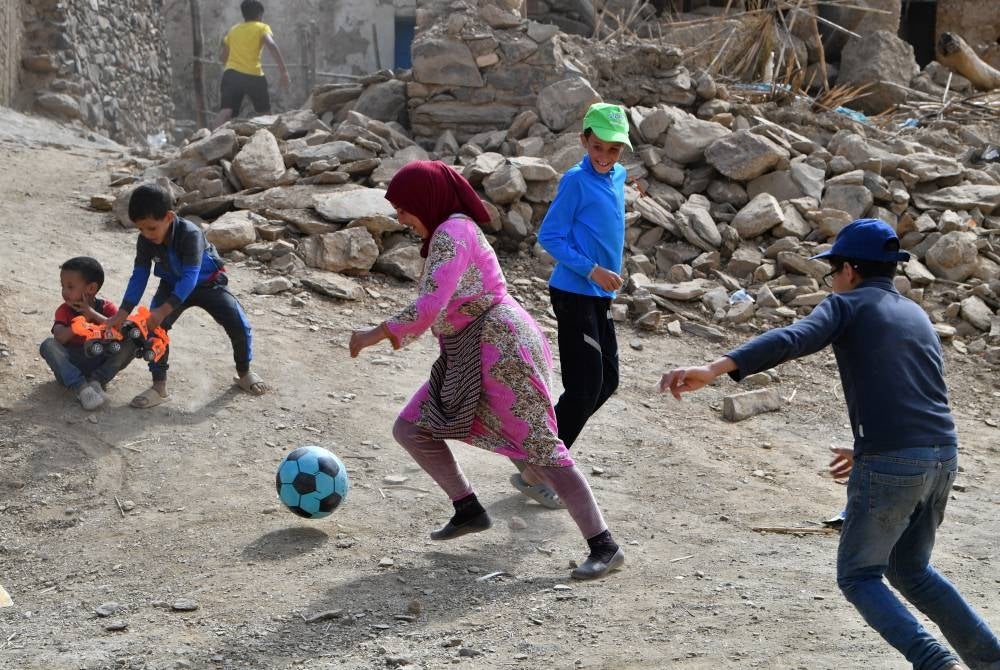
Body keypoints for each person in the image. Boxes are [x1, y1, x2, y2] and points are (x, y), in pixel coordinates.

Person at [659, 219, 1000, 670]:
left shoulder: (848, 305)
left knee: (859, 576)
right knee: (910, 570)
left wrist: (715, 368)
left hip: (895, 460)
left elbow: (792, 338)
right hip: (941, 455)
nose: (832, 282)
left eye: (832, 272)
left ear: (850, 271)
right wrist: (868, 449)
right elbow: (920, 390)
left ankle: (938, 664)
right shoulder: (915, 315)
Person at [349, 160, 625, 580]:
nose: (401, 219)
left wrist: (374, 333)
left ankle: (604, 546)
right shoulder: (447, 231)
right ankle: (468, 508)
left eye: (404, 209)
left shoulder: (452, 233)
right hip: (467, 349)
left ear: (426, 201)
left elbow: (428, 308)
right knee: (412, 428)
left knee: (542, 448)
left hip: (503, 349)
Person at [522, 102, 631, 508]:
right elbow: (549, 236)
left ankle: (536, 451)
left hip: (600, 295)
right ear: (584, 140)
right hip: (574, 292)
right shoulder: (575, 180)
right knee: (584, 387)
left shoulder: (618, 176)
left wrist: (609, 272)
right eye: (597, 147)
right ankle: (540, 468)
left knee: (607, 383)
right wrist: (592, 269)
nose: (604, 157)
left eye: (613, 150)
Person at [105, 183, 266, 408]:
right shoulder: (146, 241)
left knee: (238, 323)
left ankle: (244, 373)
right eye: (140, 229)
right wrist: (123, 313)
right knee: (155, 330)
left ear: (169, 217)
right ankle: (159, 386)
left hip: (208, 284)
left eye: (151, 228)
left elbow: (191, 276)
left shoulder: (190, 234)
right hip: (171, 284)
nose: (146, 234)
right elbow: (139, 276)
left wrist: (163, 309)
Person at [39, 257, 137, 410]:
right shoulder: (64, 310)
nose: (64, 292)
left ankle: (96, 382)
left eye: (70, 287)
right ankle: (81, 388)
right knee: (48, 345)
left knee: (132, 339)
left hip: (99, 360)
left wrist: (93, 314)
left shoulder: (106, 308)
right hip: (71, 364)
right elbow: (60, 337)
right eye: (62, 286)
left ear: (91, 288)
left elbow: (120, 332)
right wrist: (83, 319)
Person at [211, 0, 290, 129]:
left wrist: (233, 66)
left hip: (231, 74)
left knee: (226, 112)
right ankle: (272, 141)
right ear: (259, 15)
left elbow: (223, 57)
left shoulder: (233, 30)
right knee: (265, 114)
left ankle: (208, 140)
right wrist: (283, 71)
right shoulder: (261, 27)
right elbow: (271, 45)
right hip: (253, 75)